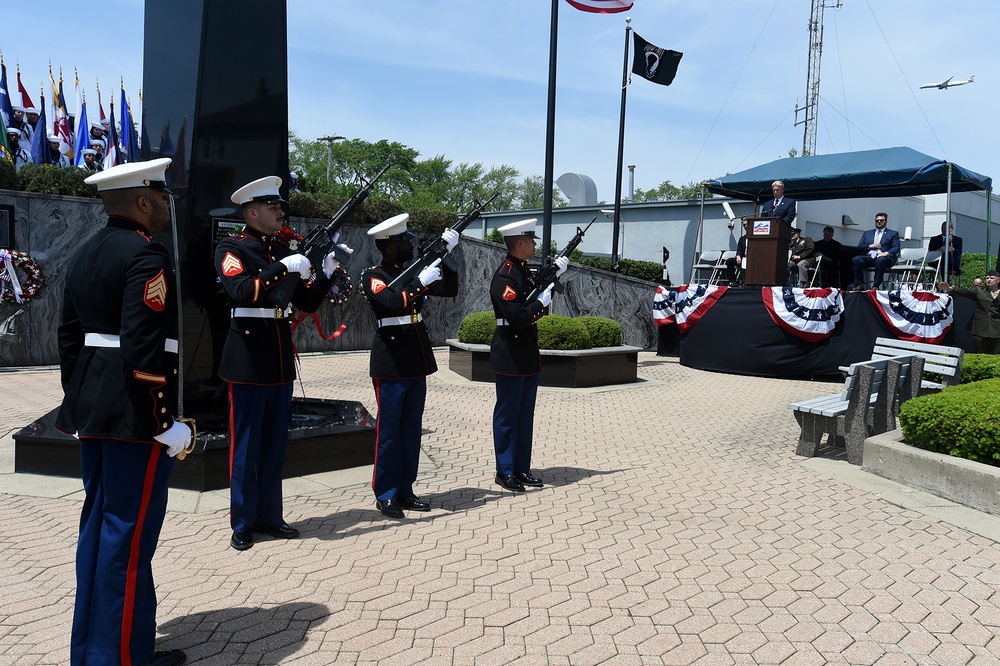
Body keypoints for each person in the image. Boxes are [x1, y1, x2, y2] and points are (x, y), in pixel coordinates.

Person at [55, 157, 190, 666]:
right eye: (160, 198)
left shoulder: (85, 253)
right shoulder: (146, 257)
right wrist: (162, 425)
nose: (164, 208)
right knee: (127, 544)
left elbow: (69, 339)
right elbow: (141, 347)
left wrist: (86, 398)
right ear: (141, 201)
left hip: (97, 413)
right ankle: (121, 659)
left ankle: (98, 651)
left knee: (100, 531)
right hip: (137, 421)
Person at [215, 175, 350, 550]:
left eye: (280, 206)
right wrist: (284, 267)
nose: (280, 211)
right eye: (272, 207)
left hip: (277, 359)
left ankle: (270, 517)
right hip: (246, 359)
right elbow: (242, 290)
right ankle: (242, 522)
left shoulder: (280, 249)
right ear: (252, 212)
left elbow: (304, 303)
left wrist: (322, 274)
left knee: (274, 447)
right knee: (245, 447)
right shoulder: (232, 247)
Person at [361, 213, 460, 517]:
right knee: (390, 431)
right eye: (404, 240)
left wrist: (446, 258)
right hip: (391, 360)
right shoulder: (374, 276)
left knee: (410, 429)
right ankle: (386, 492)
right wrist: (420, 283)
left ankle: (406, 489)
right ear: (389, 246)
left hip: (415, 359)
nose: (409, 244)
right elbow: (390, 304)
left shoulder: (413, 272)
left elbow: (450, 290)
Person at [490, 218, 568, 492]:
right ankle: (505, 470)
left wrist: (552, 276)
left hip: (526, 354)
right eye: (531, 240)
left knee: (524, 416)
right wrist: (541, 301)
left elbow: (533, 299)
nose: (535, 244)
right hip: (510, 354)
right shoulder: (505, 276)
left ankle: (522, 468)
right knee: (508, 415)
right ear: (520, 243)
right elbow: (518, 316)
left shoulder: (522, 272)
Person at [940, 271, 1000, 354]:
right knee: (980, 353)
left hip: (997, 327)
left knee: (996, 354)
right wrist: (950, 289)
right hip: (981, 328)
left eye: (992, 278)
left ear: (998, 280)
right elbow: (965, 292)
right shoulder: (979, 291)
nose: (989, 280)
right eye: (987, 278)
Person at [850, 212, 899, 291]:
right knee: (856, 259)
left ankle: (876, 285)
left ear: (886, 222)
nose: (879, 222)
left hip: (884, 258)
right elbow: (859, 247)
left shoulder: (893, 233)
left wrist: (886, 253)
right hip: (870, 257)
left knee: (881, 260)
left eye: (881, 220)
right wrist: (870, 246)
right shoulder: (867, 233)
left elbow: (896, 247)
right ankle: (859, 284)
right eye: (877, 220)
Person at [725, 218, 749, 286]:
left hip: (752, 260)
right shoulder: (742, 239)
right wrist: (738, 255)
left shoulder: (755, 238)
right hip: (743, 259)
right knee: (729, 261)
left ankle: (745, 281)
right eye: (744, 225)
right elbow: (739, 250)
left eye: (747, 224)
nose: (745, 226)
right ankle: (733, 281)